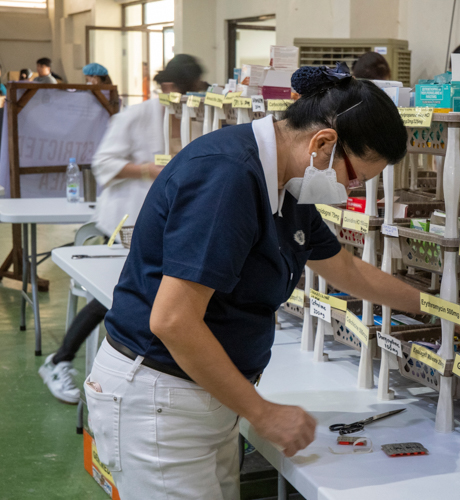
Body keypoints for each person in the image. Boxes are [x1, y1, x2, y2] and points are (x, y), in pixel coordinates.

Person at [83, 62, 425, 499]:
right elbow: (173, 321)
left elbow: (346, 269)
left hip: (206, 394)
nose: (351, 191)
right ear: (323, 144)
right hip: (160, 396)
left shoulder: (287, 181)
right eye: (356, 178)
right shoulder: (228, 176)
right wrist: (262, 413)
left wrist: (439, 310)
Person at [38, 55, 206, 404]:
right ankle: (59, 361)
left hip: (165, 224)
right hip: (126, 221)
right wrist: (150, 170)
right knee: (112, 297)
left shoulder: (194, 116)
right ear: (170, 88)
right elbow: (103, 162)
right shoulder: (135, 116)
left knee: (138, 299)